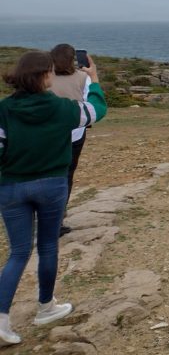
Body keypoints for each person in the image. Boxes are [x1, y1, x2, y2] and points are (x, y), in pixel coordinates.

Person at [0, 50, 106, 345]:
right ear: (46, 75)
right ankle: (46, 307)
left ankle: (0, 319)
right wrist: (93, 78)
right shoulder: (62, 109)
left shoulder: (4, 109)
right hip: (52, 184)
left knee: (18, 253)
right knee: (48, 246)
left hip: (11, 187)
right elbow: (96, 110)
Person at [48, 44, 91, 237]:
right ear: (73, 58)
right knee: (66, 175)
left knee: (46, 173)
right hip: (74, 132)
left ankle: (41, 217)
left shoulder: (44, 76)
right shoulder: (83, 77)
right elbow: (89, 103)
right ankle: (57, 220)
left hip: (46, 133)